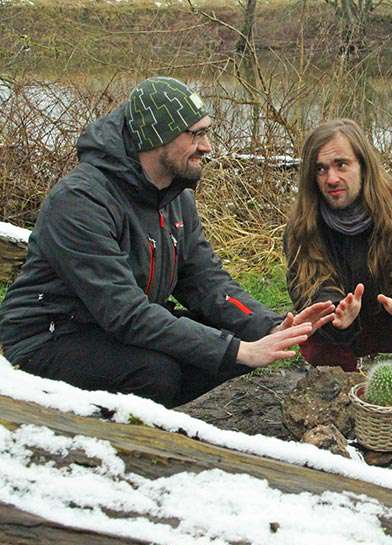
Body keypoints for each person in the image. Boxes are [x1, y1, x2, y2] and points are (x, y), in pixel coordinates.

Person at [0, 77, 334, 408]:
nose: (207, 146)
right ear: (157, 136)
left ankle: (140, 415)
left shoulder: (174, 197)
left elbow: (208, 282)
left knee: (237, 339)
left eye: (206, 132)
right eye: (196, 134)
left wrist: (271, 326)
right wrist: (237, 351)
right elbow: (126, 313)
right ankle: (101, 433)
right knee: (158, 373)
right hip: (49, 336)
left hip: (110, 329)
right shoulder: (81, 201)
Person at [284, 119, 392, 396]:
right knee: (314, 319)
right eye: (321, 169)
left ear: (363, 166)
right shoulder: (302, 225)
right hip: (342, 325)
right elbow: (306, 284)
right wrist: (336, 311)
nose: (332, 179)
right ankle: (337, 397)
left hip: (391, 316)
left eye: (341, 164)